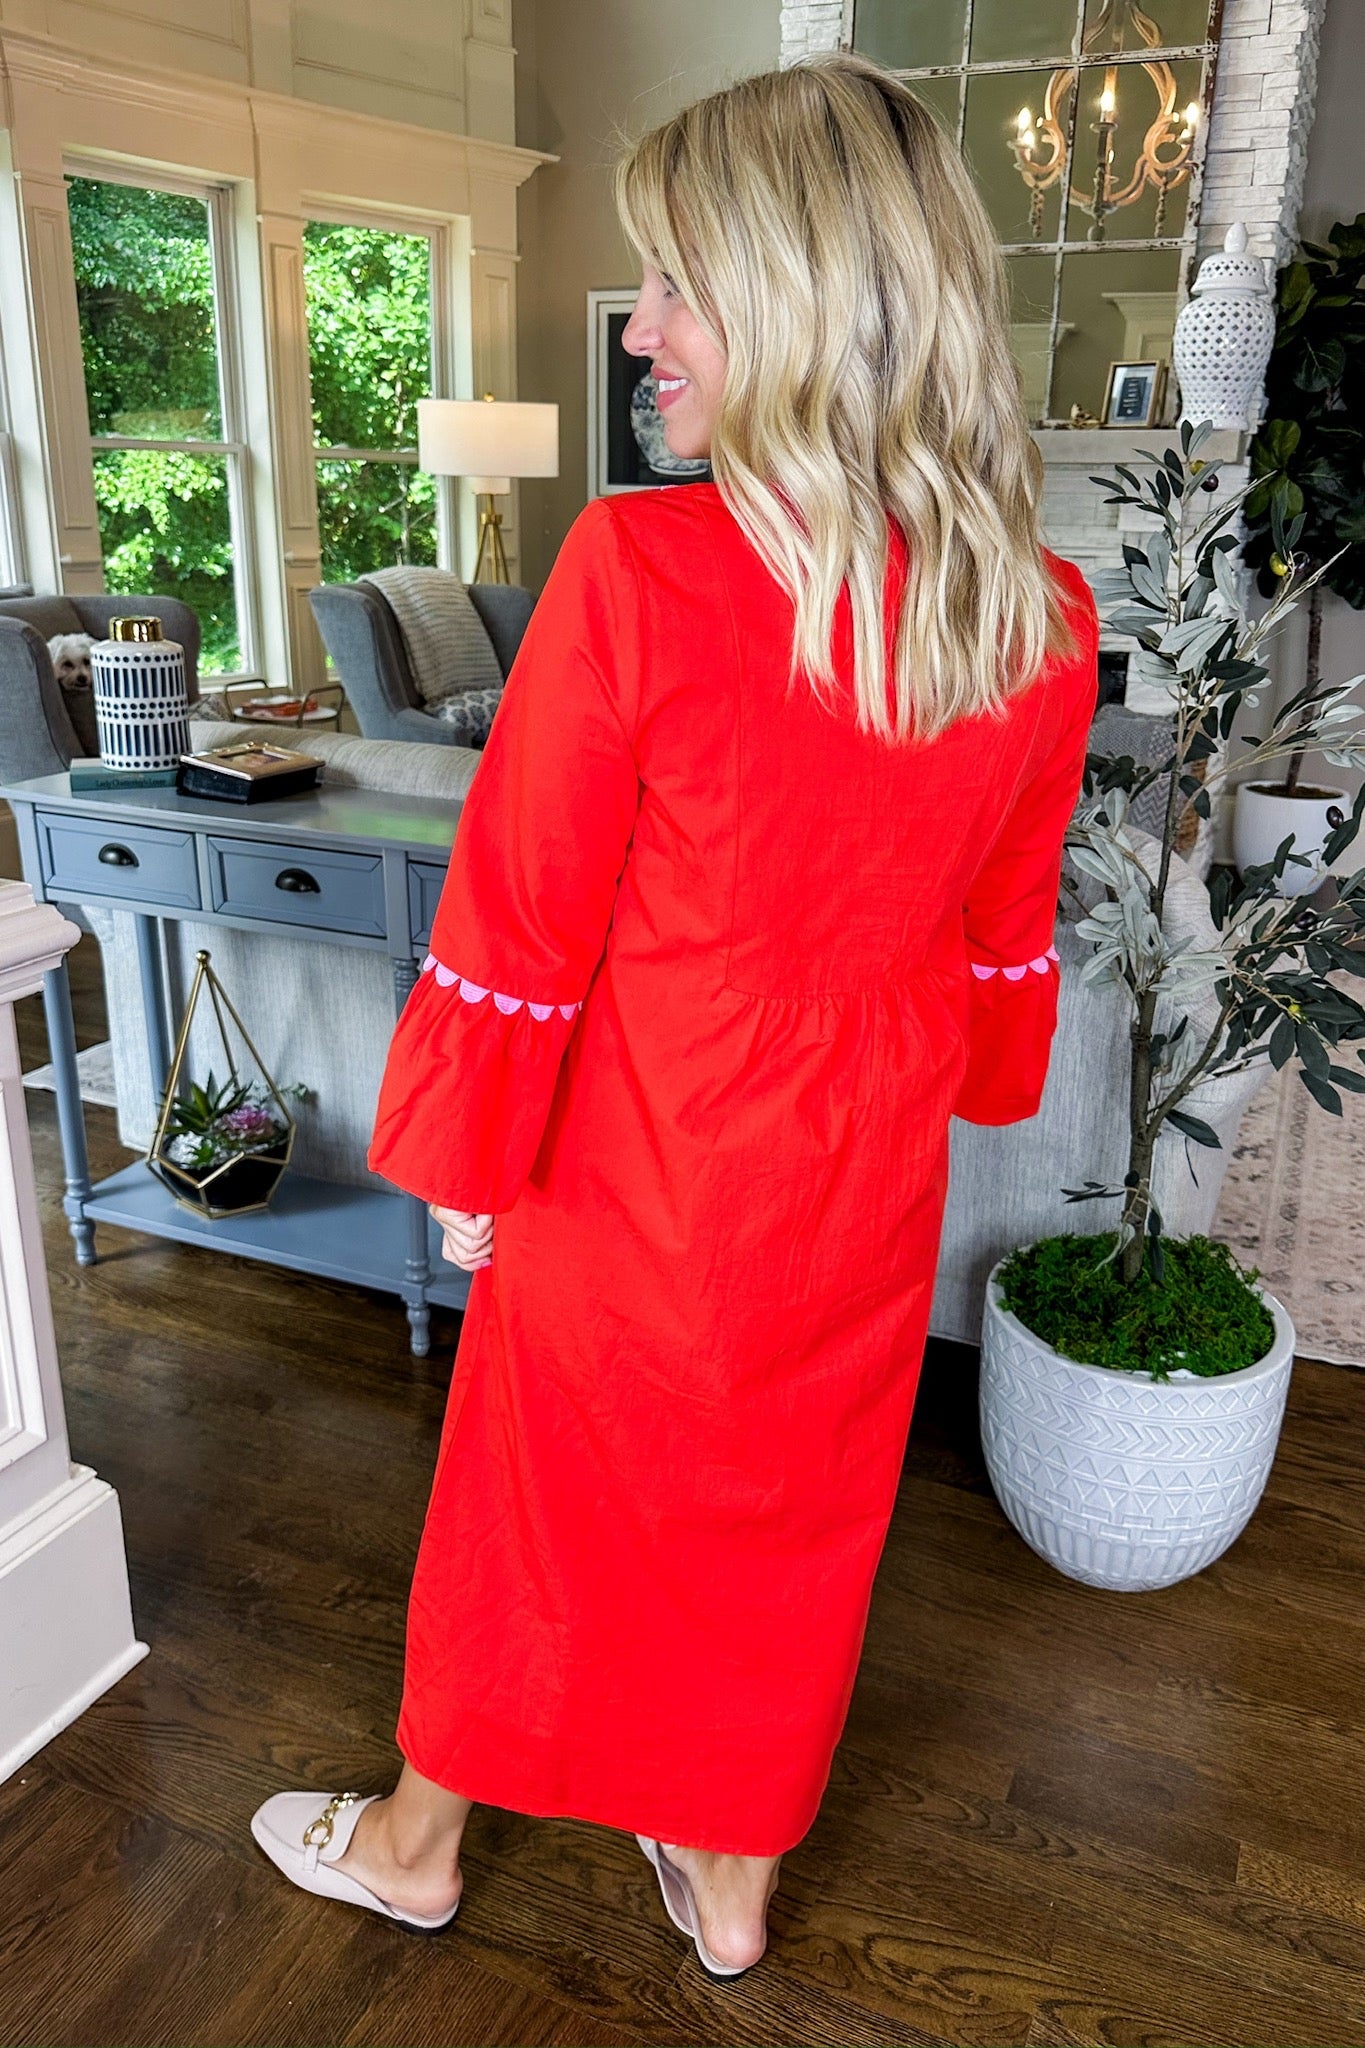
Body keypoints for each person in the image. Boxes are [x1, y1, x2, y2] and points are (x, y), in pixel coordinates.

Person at [251, 52, 1099, 1978]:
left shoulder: (639, 567)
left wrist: (468, 1163)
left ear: (798, 300)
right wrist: (962, 1077)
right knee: (790, 1516)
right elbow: (1001, 929)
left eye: (678, 282)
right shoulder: (1035, 615)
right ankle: (728, 1879)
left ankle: (417, 1844)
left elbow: (522, 911)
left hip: (638, 1145)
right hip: (857, 1168)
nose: (641, 329)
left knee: (537, 1499)